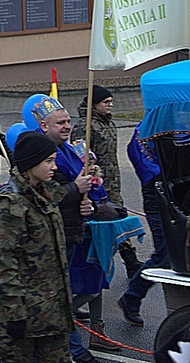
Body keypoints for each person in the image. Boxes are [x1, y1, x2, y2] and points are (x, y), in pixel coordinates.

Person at [34, 96, 113, 361]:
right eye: (60, 123)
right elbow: (43, 194)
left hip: (72, 229)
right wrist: (75, 191)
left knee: (65, 294)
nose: (67, 126)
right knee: (58, 298)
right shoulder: (40, 150)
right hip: (54, 235)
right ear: (44, 126)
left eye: (68, 121)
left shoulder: (67, 148)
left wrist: (87, 198)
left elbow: (81, 185)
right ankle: (75, 352)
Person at [0, 131, 73, 363]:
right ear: (31, 164)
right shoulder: (10, 205)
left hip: (49, 312)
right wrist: (14, 314)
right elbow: (2, 264)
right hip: (22, 317)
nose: (54, 167)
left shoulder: (45, 194)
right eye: (48, 161)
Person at [71, 85, 142, 278]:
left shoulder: (108, 123)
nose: (110, 105)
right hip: (97, 185)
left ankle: (129, 261)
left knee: (117, 217)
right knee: (113, 220)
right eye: (106, 102)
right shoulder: (84, 127)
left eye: (111, 102)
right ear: (95, 105)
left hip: (113, 181)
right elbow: (80, 156)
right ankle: (129, 260)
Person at [119, 121, 169, 327]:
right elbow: (144, 163)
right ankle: (132, 296)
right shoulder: (146, 127)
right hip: (158, 191)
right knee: (165, 254)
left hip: (181, 188)